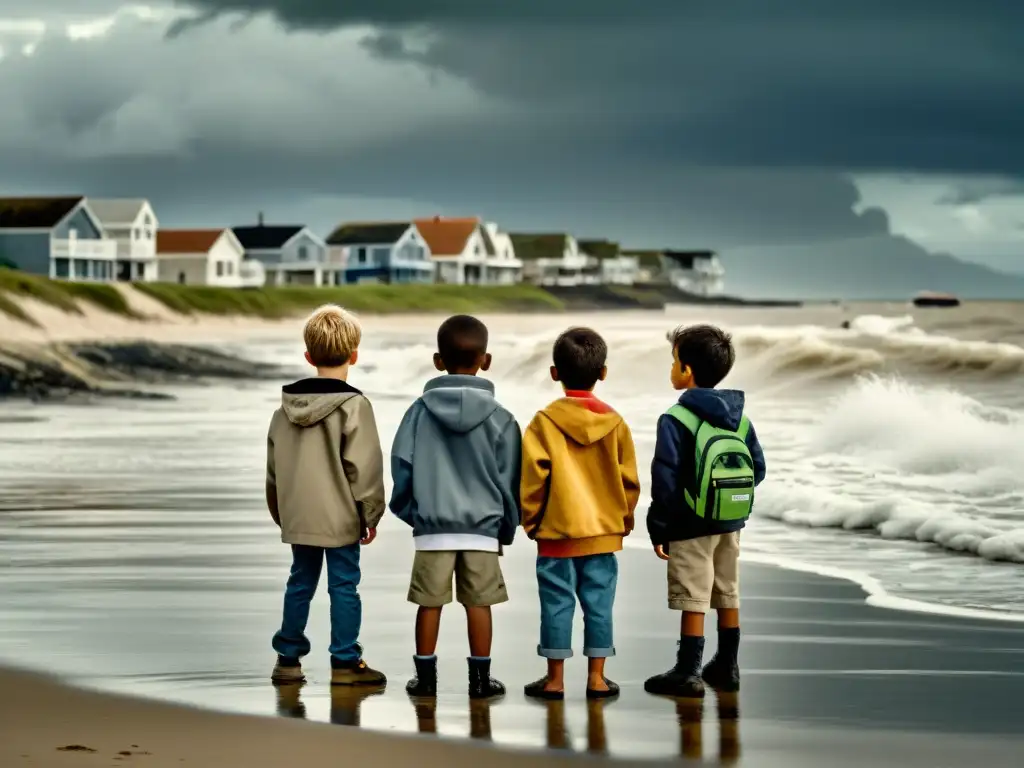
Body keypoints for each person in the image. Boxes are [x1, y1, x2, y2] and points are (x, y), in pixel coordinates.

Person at [390, 315, 521, 700]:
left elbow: (402, 464)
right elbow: (510, 479)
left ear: (437, 360)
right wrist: (505, 526)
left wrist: (414, 512)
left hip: (433, 527)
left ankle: (425, 679)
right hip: (481, 528)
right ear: (487, 360)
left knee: (429, 604)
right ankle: (480, 680)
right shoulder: (501, 417)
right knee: (479, 603)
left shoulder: (419, 411)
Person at [266, 304, 387, 687]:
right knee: (344, 585)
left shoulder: (283, 411)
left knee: (299, 581)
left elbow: (274, 473)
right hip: (341, 518)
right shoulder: (354, 406)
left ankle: (288, 660)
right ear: (354, 355)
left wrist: (281, 513)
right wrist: (372, 514)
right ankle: (345, 661)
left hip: (298, 514)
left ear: (308, 356)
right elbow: (363, 469)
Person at [644, 324, 766, 698]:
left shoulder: (675, 419)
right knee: (727, 591)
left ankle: (688, 670)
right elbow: (757, 469)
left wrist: (658, 526)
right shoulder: (740, 419)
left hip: (689, 523)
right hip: (730, 522)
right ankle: (727, 666)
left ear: (688, 371)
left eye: (674, 361)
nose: (672, 368)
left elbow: (664, 478)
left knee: (694, 595)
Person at [520, 327, 641, 700]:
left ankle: (554, 680)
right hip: (602, 534)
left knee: (556, 604)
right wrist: (623, 522)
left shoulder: (543, 422)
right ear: (603, 372)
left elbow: (532, 477)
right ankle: (597, 679)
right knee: (599, 604)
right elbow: (630, 482)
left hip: (556, 533)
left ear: (555, 372)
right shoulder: (616, 423)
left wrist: (532, 522)